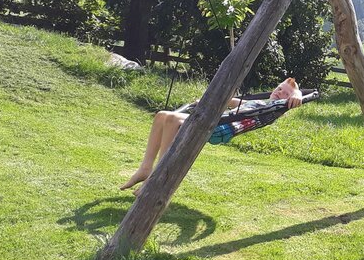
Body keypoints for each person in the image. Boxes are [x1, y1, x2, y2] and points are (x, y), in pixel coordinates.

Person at [120, 77, 303, 192]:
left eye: (285, 93)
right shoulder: (261, 104)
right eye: (279, 88)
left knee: (172, 120)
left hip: (221, 128)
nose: (279, 93)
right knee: (162, 115)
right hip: (217, 122)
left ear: (289, 100)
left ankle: (157, 176)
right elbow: (232, 101)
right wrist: (206, 100)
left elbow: (296, 98)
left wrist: (298, 95)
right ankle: (145, 168)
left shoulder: (273, 109)